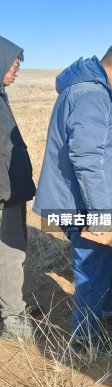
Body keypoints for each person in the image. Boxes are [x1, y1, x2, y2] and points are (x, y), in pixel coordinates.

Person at [34, 40, 112, 349]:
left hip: (90, 200)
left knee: (108, 257)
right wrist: (102, 215)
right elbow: (88, 159)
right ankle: (86, 339)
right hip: (82, 204)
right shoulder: (92, 95)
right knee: (91, 270)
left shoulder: (91, 91)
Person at [0, 36, 37, 340]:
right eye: (13, 66)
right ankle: (13, 318)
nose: (17, 72)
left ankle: (13, 307)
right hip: (5, 193)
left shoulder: (1, 96)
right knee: (10, 255)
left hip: (11, 190)